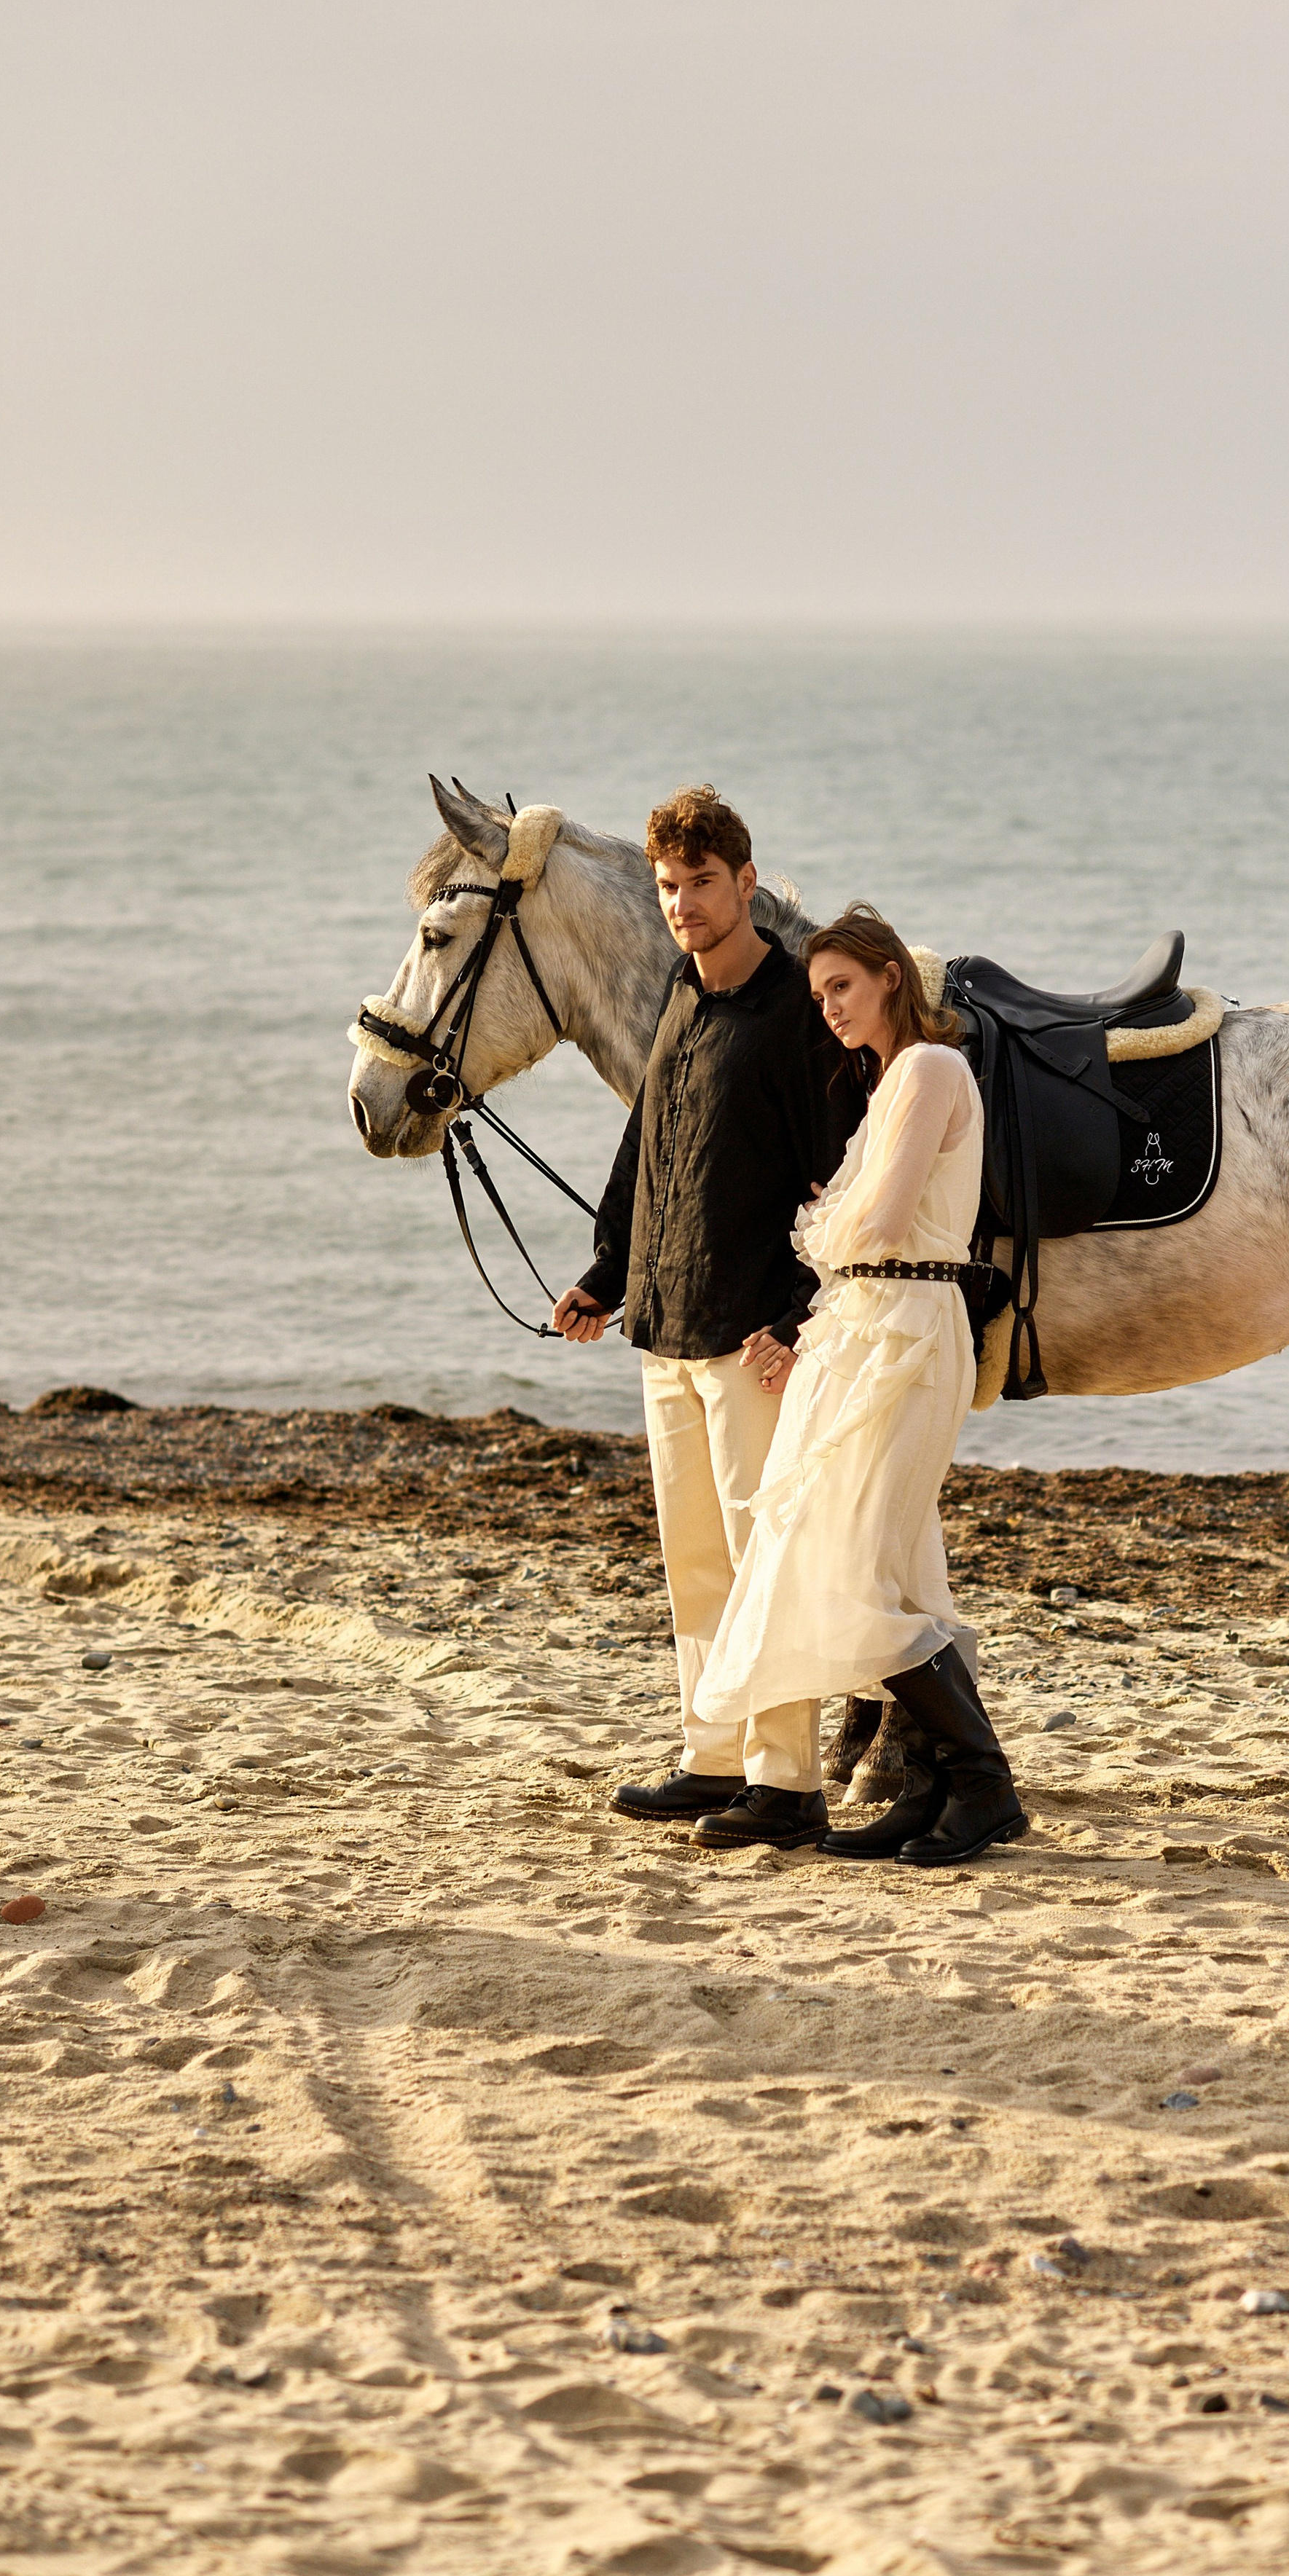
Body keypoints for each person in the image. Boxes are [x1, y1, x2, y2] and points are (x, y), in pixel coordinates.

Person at [553, 789, 865, 1848]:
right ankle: (713, 1755)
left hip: (752, 1344)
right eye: (668, 888)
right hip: (668, 1324)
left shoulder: (796, 1017)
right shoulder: (683, 998)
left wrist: (796, 1316)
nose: (683, 904)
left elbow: (840, 1190)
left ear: (746, 881)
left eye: (701, 883)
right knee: (696, 1560)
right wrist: (606, 1272)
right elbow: (645, 1151)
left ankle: (787, 1785)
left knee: (766, 1552)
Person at [691, 905, 1027, 1870]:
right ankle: (929, 1795)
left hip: (912, 1334)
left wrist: (825, 1224)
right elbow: (859, 1246)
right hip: (865, 1331)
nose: (829, 1007)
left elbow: (876, 1226)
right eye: (817, 995)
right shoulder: (887, 1087)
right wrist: (811, 1343)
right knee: (899, 1569)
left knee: (860, 1570)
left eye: (842, 986)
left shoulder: (928, 1068)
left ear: (890, 978)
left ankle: (985, 1785)